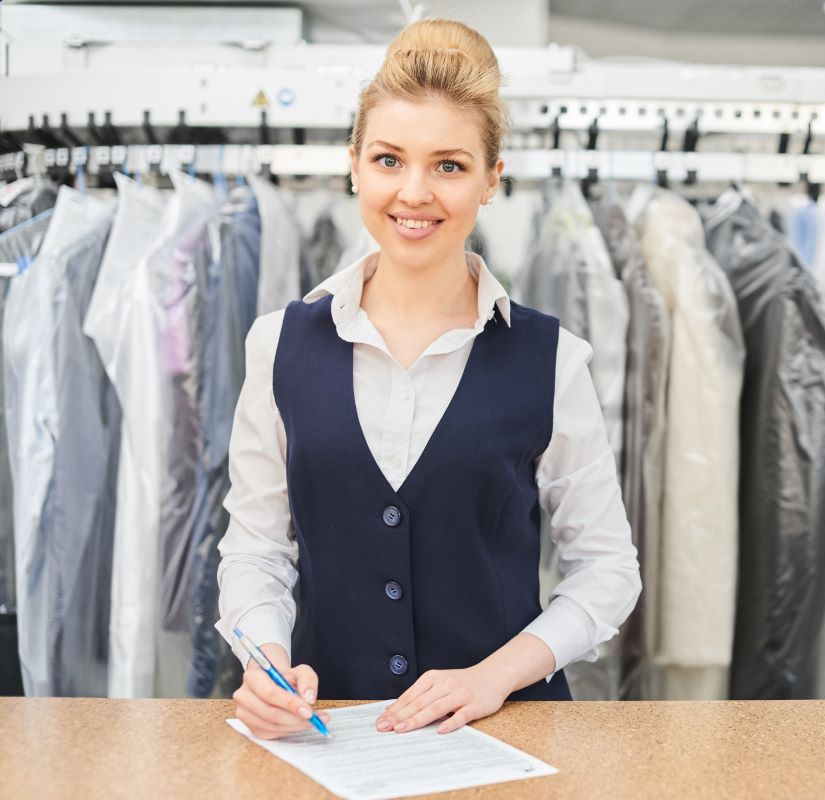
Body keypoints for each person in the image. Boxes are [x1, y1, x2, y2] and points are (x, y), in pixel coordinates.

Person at [215, 18, 641, 740]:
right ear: (353, 164)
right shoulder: (278, 344)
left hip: (506, 734)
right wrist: (269, 662)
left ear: (491, 180)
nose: (414, 193)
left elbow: (607, 570)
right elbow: (255, 547)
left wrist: (494, 676)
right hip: (331, 733)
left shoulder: (551, 356)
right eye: (388, 160)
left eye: (449, 165)